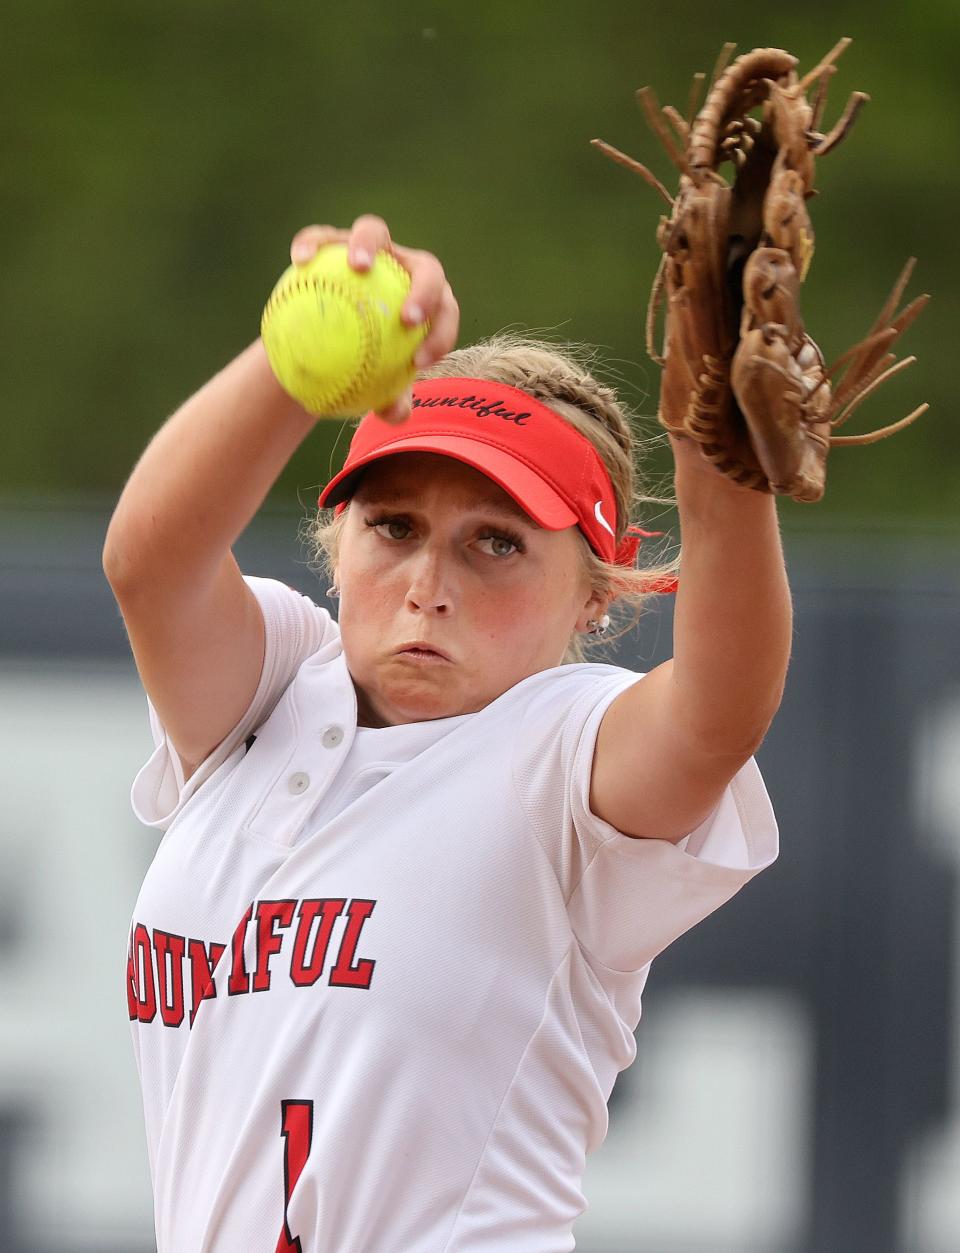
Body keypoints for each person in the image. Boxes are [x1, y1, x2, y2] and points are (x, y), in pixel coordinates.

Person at [104, 215, 788, 1252]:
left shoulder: (562, 751)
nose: (427, 587)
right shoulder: (275, 689)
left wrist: (719, 462)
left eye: (496, 544)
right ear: (336, 540)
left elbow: (717, 712)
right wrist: (300, 363)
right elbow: (151, 566)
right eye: (394, 527)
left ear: (597, 593)